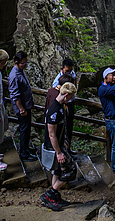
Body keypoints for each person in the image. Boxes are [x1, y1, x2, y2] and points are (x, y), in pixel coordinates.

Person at [40, 82, 77, 211]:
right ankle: (50, 194)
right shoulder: (54, 110)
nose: (72, 99)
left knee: (57, 170)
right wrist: (59, 152)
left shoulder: (61, 106)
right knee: (71, 170)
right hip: (54, 147)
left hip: (60, 145)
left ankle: (53, 196)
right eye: (71, 96)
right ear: (66, 95)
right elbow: (51, 134)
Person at [9, 51, 37, 162]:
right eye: (23, 63)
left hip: (27, 105)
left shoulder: (21, 71)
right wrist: (21, 109)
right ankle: (23, 153)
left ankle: (26, 148)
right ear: (16, 62)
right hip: (22, 108)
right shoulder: (14, 75)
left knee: (27, 128)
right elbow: (15, 95)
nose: (25, 65)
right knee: (24, 130)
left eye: (26, 63)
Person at [50, 58, 78, 156]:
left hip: (70, 103)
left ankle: (68, 148)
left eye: (70, 70)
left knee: (69, 126)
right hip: (63, 105)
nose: (69, 73)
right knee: (62, 128)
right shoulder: (57, 80)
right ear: (62, 68)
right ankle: (61, 150)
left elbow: (75, 80)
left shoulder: (72, 73)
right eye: (67, 71)